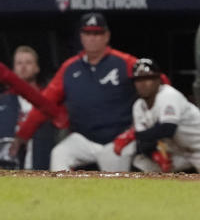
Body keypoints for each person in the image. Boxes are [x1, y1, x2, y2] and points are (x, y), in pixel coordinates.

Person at [10, 14, 142, 172]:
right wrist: (23, 134)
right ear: (81, 36)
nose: (92, 38)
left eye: (97, 33)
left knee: (114, 187)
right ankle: (64, 197)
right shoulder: (70, 68)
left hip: (118, 140)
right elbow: (44, 103)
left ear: (107, 36)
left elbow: (159, 86)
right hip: (84, 139)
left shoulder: (125, 62)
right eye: (87, 33)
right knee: (60, 154)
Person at [113, 58, 200, 174]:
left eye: (148, 78)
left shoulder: (168, 95)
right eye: (138, 80)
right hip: (179, 151)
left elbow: (168, 129)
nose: (142, 84)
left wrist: (133, 135)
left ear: (158, 80)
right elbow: (144, 141)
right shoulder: (138, 106)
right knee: (142, 162)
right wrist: (155, 155)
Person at [0, 45, 53, 170]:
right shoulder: (1, 101)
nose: (23, 67)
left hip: (41, 167)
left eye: (28, 63)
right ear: (14, 69)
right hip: (7, 169)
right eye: (19, 63)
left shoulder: (47, 100)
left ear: (37, 68)